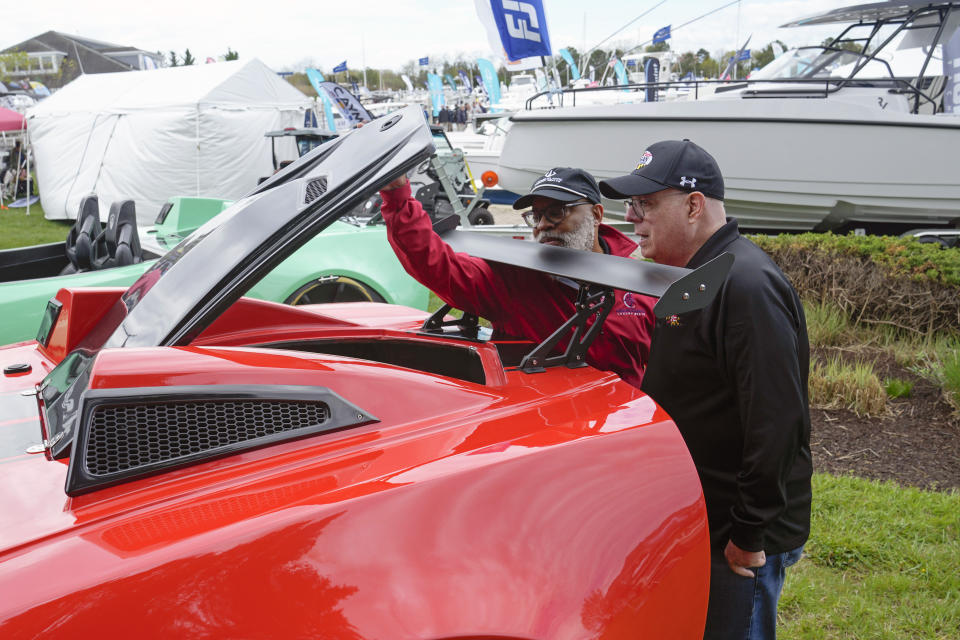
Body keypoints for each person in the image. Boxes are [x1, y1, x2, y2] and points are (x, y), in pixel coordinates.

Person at [599, 140, 812, 640]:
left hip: (737, 532)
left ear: (694, 206)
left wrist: (749, 532)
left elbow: (776, 419)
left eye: (646, 205)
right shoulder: (703, 274)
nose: (632, 218)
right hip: (705, 513)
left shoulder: (747, 285)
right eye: (632, 205)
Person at [378, 167, 654, 388]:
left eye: (556, 212)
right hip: (556, 433)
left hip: (629, 431)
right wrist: (397, 196)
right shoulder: (512, 280)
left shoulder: (637, 285)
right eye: (536, 216)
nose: (543, 225)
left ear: (596, 214)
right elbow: (434, 262)